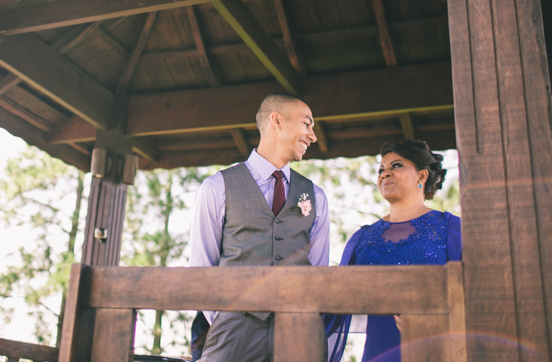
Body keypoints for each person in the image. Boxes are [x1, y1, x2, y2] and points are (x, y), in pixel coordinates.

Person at [189, 93, 330, 362]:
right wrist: (226, 319)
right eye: (307, 124)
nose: (313, 136)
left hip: (299, 333)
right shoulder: (216, 187)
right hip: (233, 333)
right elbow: (201, 267)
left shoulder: (317, 196)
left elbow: (318, 271)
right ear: (276, 121)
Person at [325, 139, 462, 362]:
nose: (385, 174)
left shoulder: (452, 230)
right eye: (381, 169)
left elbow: (476, 299)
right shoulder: (362, 239)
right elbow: (337, 304)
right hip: (378, 353)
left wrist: (431, 323)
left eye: (396, 166)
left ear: (422, 175)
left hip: (435, 352)